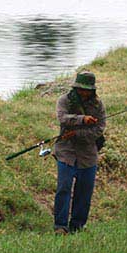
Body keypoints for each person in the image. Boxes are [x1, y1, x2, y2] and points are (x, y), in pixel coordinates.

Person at [53, 71, 106, 234]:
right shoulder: (64, 100)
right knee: (64, 187)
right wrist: (82, 119)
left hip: (88, 155)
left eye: (87, 90)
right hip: (65, 152)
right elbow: (62, 118)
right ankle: (60, 226)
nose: (84, 92)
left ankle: (77, 226)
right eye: (81, 89)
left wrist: (77, 133)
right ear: (75, 88)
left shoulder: (98, 105)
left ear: (92, 90)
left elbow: (99, 129)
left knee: (84, 192)